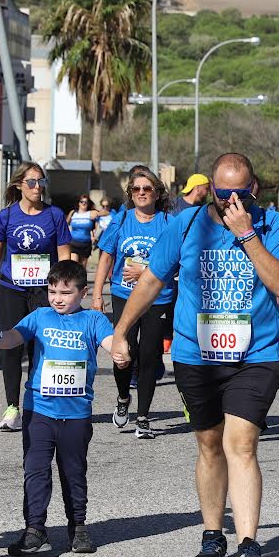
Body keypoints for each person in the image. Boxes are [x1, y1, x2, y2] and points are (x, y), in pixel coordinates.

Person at [111, 153, 279, 557]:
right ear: (210, 188)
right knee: (210, 445)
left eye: (239, 193)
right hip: (197, 354)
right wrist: (121, 331)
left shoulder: (271, 225)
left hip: (256, 354)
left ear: (254, 189)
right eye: (221, 192)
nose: (229, 200)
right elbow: (153, 280)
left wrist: (246, 234)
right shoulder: (188, 224)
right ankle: (213, 534)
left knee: (241, 443)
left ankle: (249, 545)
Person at [0, 261, 113, 556]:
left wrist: (119, 350)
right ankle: (34, 529)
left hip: (76, 413)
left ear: (83, 292)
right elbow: (14, 336)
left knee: (73, 471)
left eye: (65, 293)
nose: (57, 298)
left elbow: (111, 343)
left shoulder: (93, 320)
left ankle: (78, 527)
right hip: (39, 410)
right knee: (35, 470)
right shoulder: (40, 316)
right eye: (52, 291)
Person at [0, 162, 71, 432]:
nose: (37, 187)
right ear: (19, 185)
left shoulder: (54, 216)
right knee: (10, 346)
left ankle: (35, 404)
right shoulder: (7, 216)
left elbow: (63, 254)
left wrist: (64, 290)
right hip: (12, 289)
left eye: (41, 182)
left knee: (39, 348)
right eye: (31, 182)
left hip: (43, 290)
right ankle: (12, 407)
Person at [92, 167, 175, 438]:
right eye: (136, 189)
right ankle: (123, 397)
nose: (141, 193)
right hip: (123, 294)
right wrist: (97, 295)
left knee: (149, 356)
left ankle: (143, 418)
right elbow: (106, 256)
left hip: (157, 298)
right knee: (124, 353)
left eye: (147, 188)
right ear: (130, 193)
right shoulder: (122, 219)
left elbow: (177, 261)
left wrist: (148, 272)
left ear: (157, 192)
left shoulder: (167, 221)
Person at [66, 194, 103, 264]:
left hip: (85, 244)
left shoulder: (92, 213)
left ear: (88, 203)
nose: (84, 203)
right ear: (78, 203)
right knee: (73, 265)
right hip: (73, 243)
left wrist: (94, 235)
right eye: (81, 201)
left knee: (82, 268)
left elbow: (105, 213)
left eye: (86, 202)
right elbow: (65, 224)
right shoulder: (73, 213)